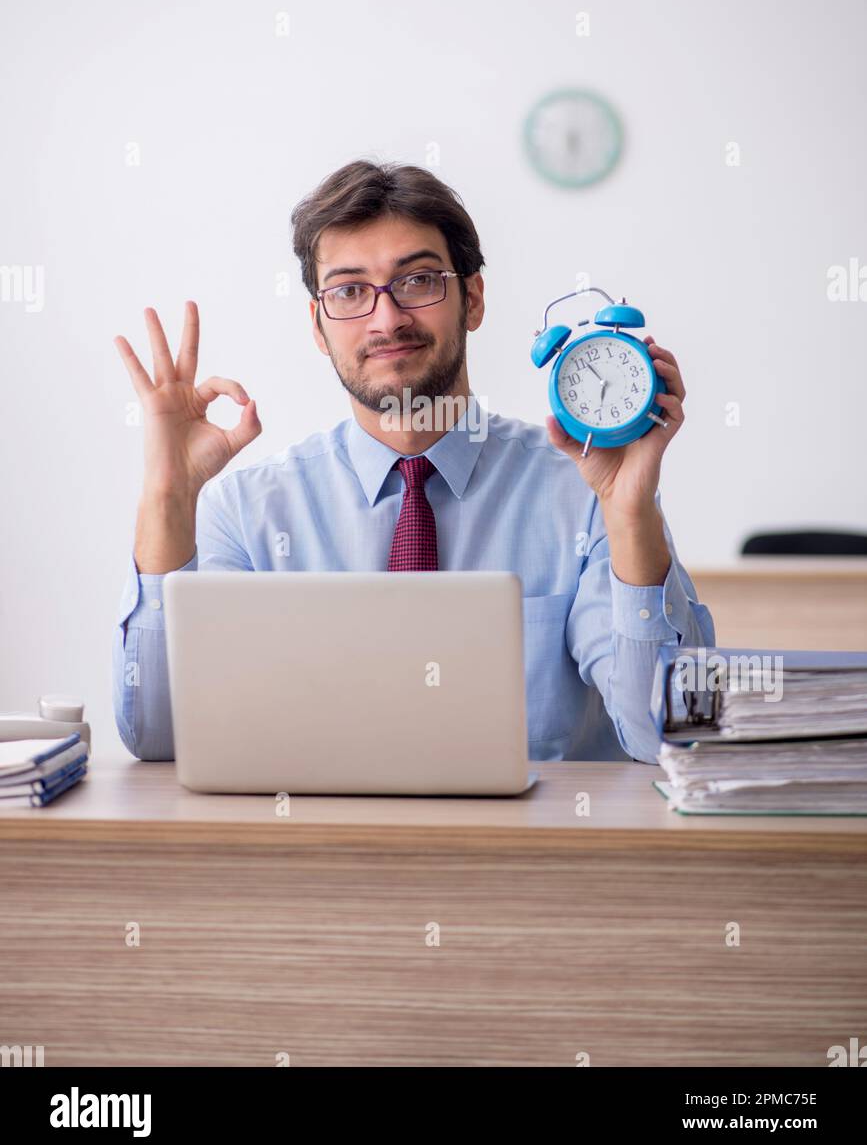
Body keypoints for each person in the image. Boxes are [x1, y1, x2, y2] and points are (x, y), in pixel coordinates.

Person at [112, 160, 714, 763]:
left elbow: (670, 734)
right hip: (320, 849)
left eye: (419, 281)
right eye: (349, 291)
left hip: (531, 853)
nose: (387, 317)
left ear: (472, 299)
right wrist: (167, 494)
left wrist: (630, 511)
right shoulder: (246, 513)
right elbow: (160, 737)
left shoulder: (585, 497)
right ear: (319, 329)